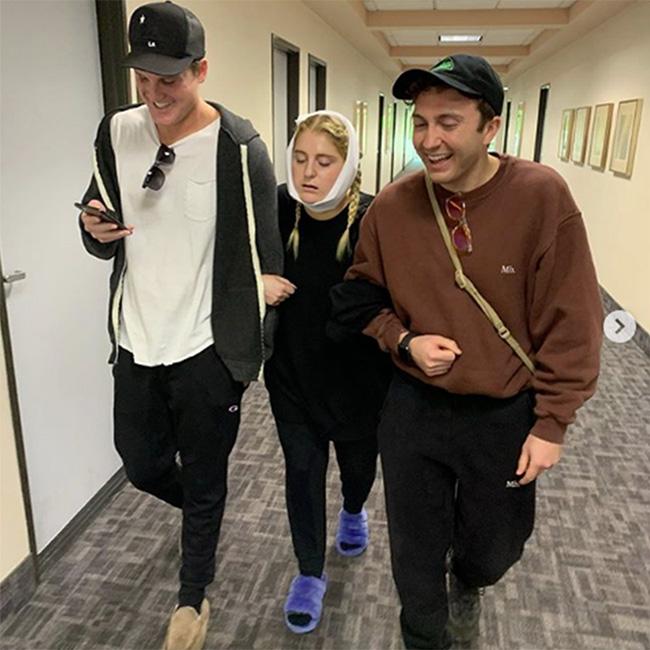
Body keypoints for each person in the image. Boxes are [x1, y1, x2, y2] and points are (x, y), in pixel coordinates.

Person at [331, 54, 603, 649]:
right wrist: (404, 340)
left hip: (503, 413)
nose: (429, 139)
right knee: (414, 557)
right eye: (420, 122)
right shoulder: (393, 207)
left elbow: (574, 318)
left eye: (448, 122)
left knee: (493, 550)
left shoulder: (540, 197)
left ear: (490, 127)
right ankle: (424, 635)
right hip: (414, 409)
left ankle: (470, 580)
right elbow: (359, 296)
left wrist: (552, 422)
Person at [77, 3, 281, 649]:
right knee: (141, 466)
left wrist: (245, 360)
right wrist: (92, 229)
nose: (154, 93)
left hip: (205, 348)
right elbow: (100, 223)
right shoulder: (115, 131)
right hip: (136, 340)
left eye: (169, 79)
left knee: (207, 471)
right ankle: (204, 510)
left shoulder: (239, 149)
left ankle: (192, 597)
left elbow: (266, 259)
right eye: (143, 78)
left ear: (201, 70)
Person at [263, 110, 390, 635]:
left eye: (323, 161)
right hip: (293, 376)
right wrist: (256, 281)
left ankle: (354, 509)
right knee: (302, 471)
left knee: (358, 468)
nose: (308, 172)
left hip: (361, 379)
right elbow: (228, 259)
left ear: (349, 164)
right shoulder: (275, 206)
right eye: (299, 158)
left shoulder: (377, 218)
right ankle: (310, 573)